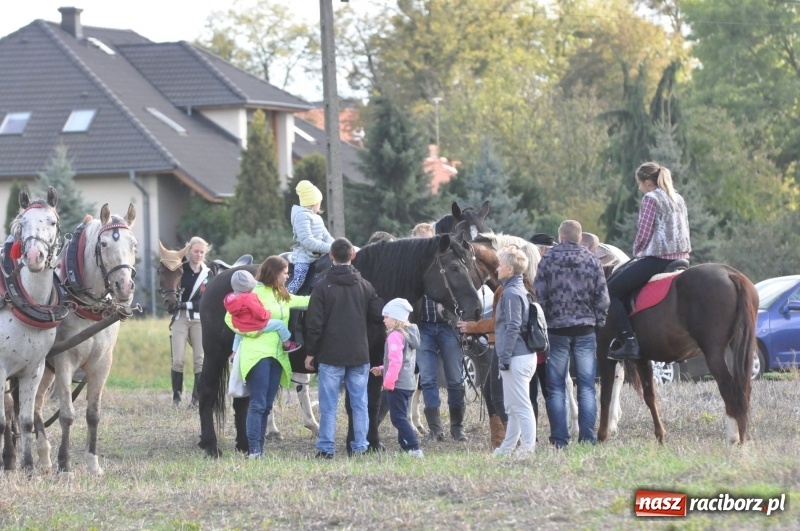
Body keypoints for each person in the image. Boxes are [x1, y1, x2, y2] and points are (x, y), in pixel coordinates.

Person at [304, 237, 384, 458]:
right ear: (353, 255)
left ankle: (326, 448)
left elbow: (314, 323)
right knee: (360, 404)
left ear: (331, 256)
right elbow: (378, 314)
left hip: (330, 355)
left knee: (329, 407)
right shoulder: (366, 286)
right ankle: (360, 447)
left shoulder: (321, 287)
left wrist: (311, 352)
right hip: (360, 354)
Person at [225, 256, 311, 459]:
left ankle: (259, 450)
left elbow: (303, 301)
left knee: (267, 405)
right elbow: (229, 318)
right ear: (274, 273)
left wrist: (327, 294)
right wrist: (250, 332)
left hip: (278, 356)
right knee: (258, 403)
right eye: (285, 272)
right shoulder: (251, 292)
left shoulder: (281, 294)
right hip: (257, 355)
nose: (288, 275)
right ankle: (254, 450)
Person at [535, 220, 609, 448]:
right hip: (585, 329)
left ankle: (560, 439)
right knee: (586, 386)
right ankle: (587, 438)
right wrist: (599, 322)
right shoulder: (592, 260)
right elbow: (602, 297)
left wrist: (546, 321)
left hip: (557, 331)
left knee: (556, 387)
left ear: (561, 237)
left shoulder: (548, 259)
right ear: (579, 238)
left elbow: (540, 295)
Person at [607, 162, 690, 361]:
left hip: (658, 259)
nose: (639, 188)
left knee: (610, 291)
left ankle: (628, 341)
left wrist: (636, 252)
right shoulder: (677, 197)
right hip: (682, 258)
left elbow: (644, 232)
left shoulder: (650, 198)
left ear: (647, 182)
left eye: (639, 183)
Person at [412, 224, 468, 442]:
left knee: (455, 378)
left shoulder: (445, 264)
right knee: (427, 379)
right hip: (424, 327)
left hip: (447, 326)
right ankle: (436, 428)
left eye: (429, 240)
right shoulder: (411, 270)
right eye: (421, 241)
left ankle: (457, 426)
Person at [493, 245, 537, 457]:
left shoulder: (510, 293)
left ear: (509, 269)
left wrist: (505, 356)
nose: (497, 269)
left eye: (500, 265)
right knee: (513, 407)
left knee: (521, 406)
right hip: (521, 355)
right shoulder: (519, 290)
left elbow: (513, 326)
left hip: (516, 357)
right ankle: (508, 447)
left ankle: (528, 448)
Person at [370, 298, 423, 458]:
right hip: (408, 383)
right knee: (401, 416)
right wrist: (381, 368)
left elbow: (395, 362)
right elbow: (403, 360)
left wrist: (388, 382)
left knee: (398, 418)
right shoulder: (409, 334)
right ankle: (405, 447)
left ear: (396, 318)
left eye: (386, 317)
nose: (384, 320)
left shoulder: (394, 336)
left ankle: (413, 448)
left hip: (397, 384)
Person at [169, 236, 213, 407]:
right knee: (178, 359)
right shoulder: (180, 269)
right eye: (196, 251)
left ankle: (197, 397)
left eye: (202, 252)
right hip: (180, 318)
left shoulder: (207, 273)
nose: (199, 254)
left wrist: (183, 304)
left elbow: (204, 299)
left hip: (198, 320)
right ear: (189, 251)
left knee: (199, 360)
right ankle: (177, 396)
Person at [223, 270, 300, 358]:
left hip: (240, 325)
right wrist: (267, 313)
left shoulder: (229, 299)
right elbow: (259, 312)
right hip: (254, 325)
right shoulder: (249, 297)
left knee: (238, 335)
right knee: (279, 324)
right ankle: (287, 344)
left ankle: (234, 354)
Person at [287, 180, 334, 294]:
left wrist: (337, 246)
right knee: (299, 278)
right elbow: (307, 241)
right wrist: (330, 248)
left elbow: (326, 235)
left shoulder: (317, 218)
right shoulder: (301, 216)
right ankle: (286, 297)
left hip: (318, 256)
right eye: (319, 202)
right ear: (314, 203)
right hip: (304, 257)